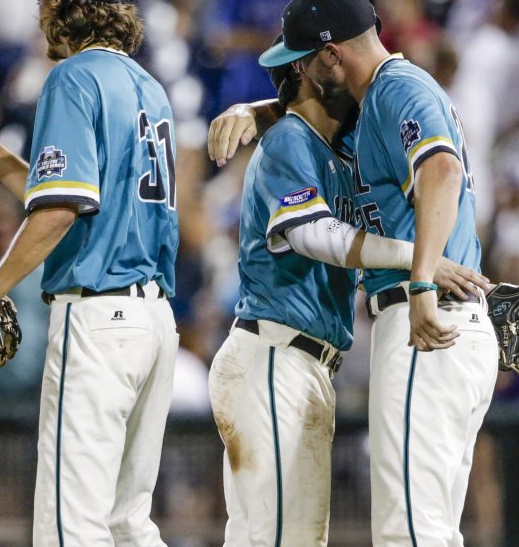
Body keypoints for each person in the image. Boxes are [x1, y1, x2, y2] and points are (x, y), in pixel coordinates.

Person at [0, 0, 179, 546]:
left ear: (60, 3)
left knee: (71, 525)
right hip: (152, 322)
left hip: (99, 318)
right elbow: (69, 192)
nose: (38, 17)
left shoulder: (72, 77)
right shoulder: (150, 88)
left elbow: (59, 210)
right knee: (128, 522)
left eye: (42, 2)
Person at [208, 35, 489, 545]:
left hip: (307, 362)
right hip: (271, 353)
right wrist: (420, 262)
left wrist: (256, 109)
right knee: (274, 537)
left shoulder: (341, 150)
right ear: (310, 75)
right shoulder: (291, 138)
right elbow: (315, 234)